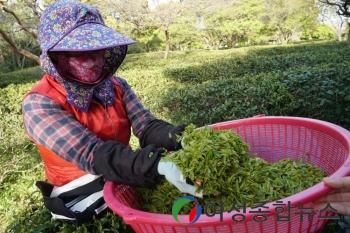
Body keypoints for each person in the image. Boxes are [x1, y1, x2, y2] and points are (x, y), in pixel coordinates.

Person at [22, 0, 201, 223]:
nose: (92, 57)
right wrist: (156, 164)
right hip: (82, 191)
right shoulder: (40, 103)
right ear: (56, 55)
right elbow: (90, 153)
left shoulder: (116, 86)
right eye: (79, 50)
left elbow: (146, 125)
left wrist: (182, 138)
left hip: (126, 171)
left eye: (96, 49)